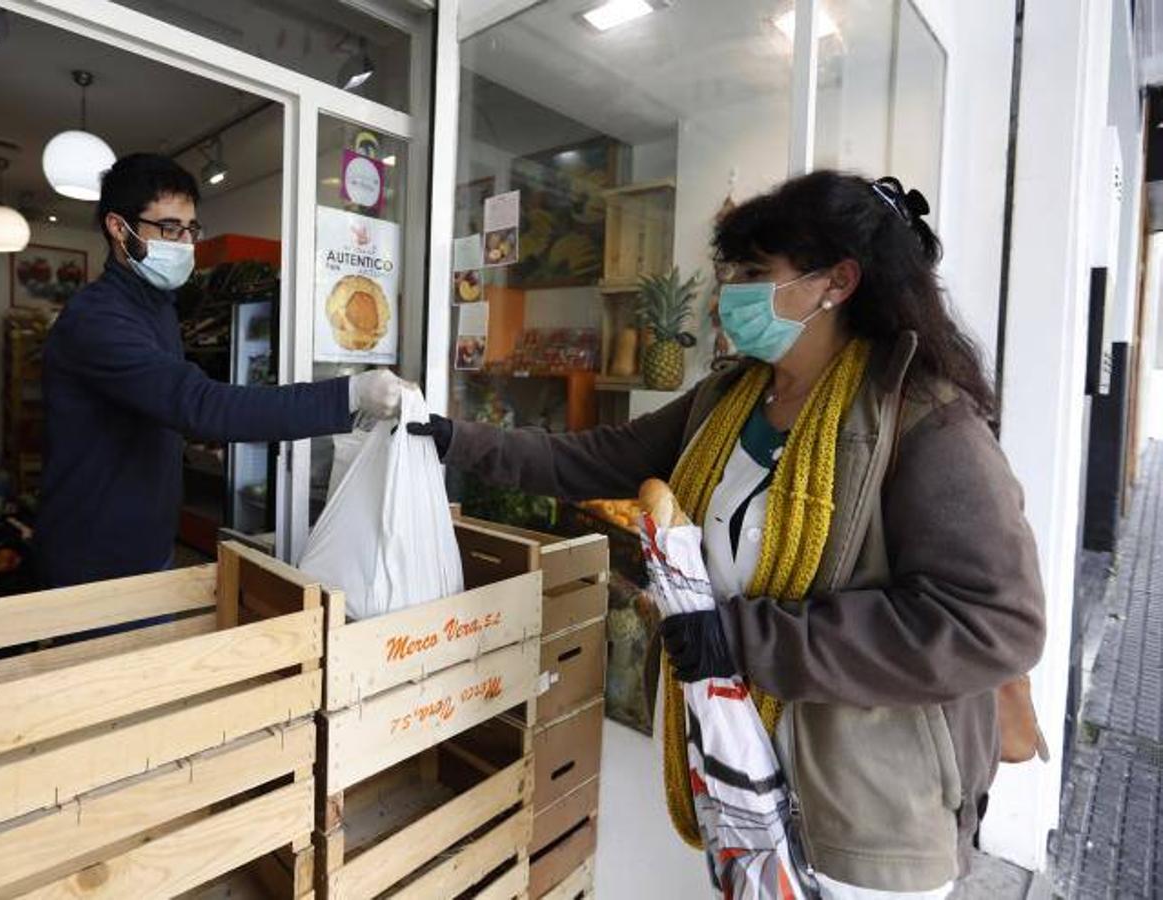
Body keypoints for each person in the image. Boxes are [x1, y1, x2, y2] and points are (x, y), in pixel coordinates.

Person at [409, 171, 1045, 897]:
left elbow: (992, 620)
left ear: (835, 281)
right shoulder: (728, 398)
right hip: (730, 772)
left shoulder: (922, 420)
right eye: (728, 272)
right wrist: (448, 438)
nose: (728, 294)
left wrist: (745, 639)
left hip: (862, 811)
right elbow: (589, 459)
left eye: (753, 272)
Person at [35, 153, 402, 588]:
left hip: (146, 547)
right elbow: (199, 404)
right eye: (170, 228)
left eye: (191, 229)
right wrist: (348, 395)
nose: (185, 243)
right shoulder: (97, 319)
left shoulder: (157, 307)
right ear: (119, 227)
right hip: (93, 565)